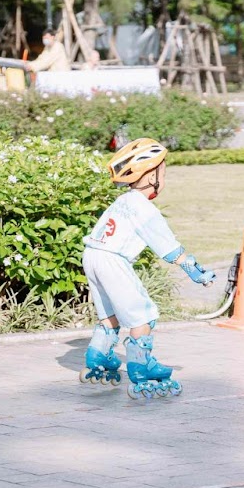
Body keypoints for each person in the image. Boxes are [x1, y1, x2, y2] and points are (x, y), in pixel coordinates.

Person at [81, 139, 217, 399]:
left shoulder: (123, 201)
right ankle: (141, 367)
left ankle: (98, 355)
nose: (164, 179)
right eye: (163, 173)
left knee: (109, 313)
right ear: (151, 176)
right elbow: (169, 248)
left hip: (93, 255)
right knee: (144, 316)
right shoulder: (145, 209)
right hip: (113, 260)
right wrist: (196, 271)